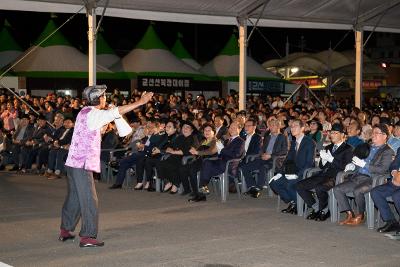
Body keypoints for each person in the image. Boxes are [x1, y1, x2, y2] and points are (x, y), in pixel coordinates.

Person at [59, 85, 153, 248]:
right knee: (89, 199)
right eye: (103, 96)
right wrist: (141, 101)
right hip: (82, 163)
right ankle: (88, 237)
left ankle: (66, 230)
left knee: (74, 198)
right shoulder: (95, 114)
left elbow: (108, 129)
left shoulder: (84, 112)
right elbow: (117, 113)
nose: (105, 99)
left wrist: (110, 118)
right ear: (98, 98)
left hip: (73, 162)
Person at [334, 123, 394, 226]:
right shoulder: (367, 147)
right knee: (337, 189)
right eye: (372, 133)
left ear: (385, 136)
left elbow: (382, 170)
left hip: (372, 179)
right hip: (358, 176)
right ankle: (349, 214)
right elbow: (358, 161)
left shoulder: (388, 151)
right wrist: (353, 166)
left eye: (376, 133)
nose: (373, 135)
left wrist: (364, 165)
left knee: (358, 190)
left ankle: (361, 215)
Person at [295, 123, 353, 221]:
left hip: (336, 177)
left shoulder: (348, 149)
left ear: (342, 135)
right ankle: (318, 207)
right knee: (299, 185)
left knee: (319, 188)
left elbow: (344, 167)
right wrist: (323, 161)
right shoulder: (329, 147)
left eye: (335, 133)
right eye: (331, 132)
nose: (332, 135)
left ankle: (324, 210)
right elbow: (322, 167)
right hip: (324, 174)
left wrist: (331, 159)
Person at [269, 119, 316, 215]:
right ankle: (294, 202)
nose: (292, 128)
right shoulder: (294, 142)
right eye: (291, 126)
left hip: (304, 172)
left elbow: (309, 163)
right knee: (274, 183)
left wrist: (298, 175)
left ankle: (301, 205)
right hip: (292, 172)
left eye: (295, 126)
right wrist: (280, 173)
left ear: (302, 128)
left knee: (289, 184)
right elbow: (287, 161)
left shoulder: (309, 142)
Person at [196, 121, 245, 202]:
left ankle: (202, 188)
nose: (231, 129)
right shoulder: (227, 140)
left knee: (206, 166)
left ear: (239, 129)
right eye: (230, 127)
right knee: (206, 162)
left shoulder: (240, 141)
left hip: (229, 165)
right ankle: (203, 187)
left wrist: (222, 149)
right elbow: (221, 153)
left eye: (234, 128)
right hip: (221, 162)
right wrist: (219, 151)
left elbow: (236, 155)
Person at [370, 146, 400, 233]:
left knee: (397, 196)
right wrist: (394, 173)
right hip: (397, 179)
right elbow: (394, 164)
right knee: (376, 192)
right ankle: (391, 221)